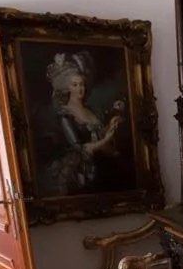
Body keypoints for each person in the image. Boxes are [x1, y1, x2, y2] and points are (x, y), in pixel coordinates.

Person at [44, 52, 124, 196]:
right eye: (75, 85)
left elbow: (100, 134)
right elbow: (79, 149)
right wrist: (105, 139)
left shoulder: (93, 110)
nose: (80, 88)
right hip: (84, 173)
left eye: (82, 84)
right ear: (67, 87)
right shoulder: (65, 116)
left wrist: (112, 122)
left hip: (105, 166)